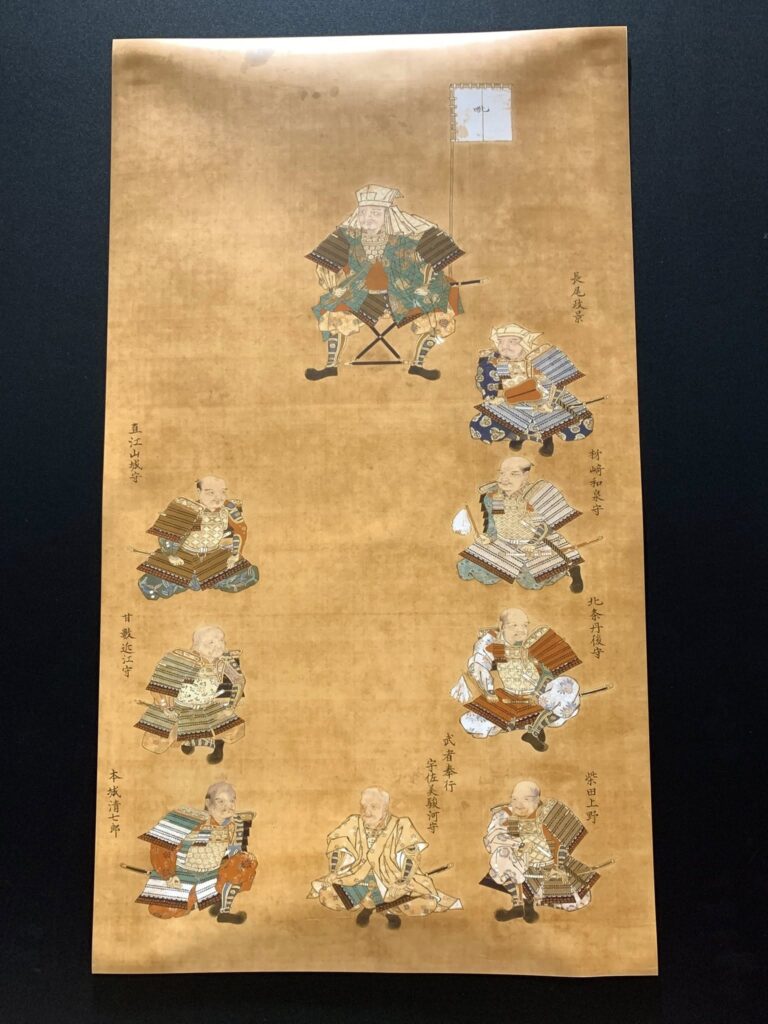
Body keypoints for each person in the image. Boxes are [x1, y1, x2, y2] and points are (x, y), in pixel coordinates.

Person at [305, 184, 464, 381]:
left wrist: (425, 285)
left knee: (442, 305)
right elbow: (325, 263)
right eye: (363, 213)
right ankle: (330, 366)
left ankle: (418, 364)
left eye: (375, 213)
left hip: (403, 295)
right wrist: (333, 287)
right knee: (333, 310)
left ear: (387, 215)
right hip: (360, 295)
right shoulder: (348, 236)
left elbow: (434, 257)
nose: (368, 218)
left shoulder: (404, 239)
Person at [308, 787, 461, 928]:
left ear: (385, 808)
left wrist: (403, 881)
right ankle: (372, 907)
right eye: (363, 806)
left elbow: (411, 856)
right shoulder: (353, 822)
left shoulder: (401, 825)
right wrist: (334, 871)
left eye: (373, 807)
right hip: (357, 878)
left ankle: (382, 909)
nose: (367, 812)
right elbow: (338, 846)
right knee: (326, 894)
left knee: (426, 903)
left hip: (390, 880)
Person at [450, 607, 581, 750]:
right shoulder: (494, 642)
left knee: (568, 685)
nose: (521, 630)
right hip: (509, 697)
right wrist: (488, 689)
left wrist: (538, 691)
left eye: (524, 625)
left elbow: (548, 673)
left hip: (540, 696)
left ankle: (534, 729)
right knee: (471, 722)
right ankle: (529, 724)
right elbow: (479, 662)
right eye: (514, 625)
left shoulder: (536, 640)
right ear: (501, 626)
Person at [135, 782, 257, 924]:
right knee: (163, 910)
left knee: (246, 862)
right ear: (208, 803)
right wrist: (169, 874)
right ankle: (197, 900)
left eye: (232, 801)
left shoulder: (234, 824)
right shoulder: (188, 819)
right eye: (221, 801)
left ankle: (222, 905)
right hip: (183, 874)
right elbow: (162, 845)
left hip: (212, 873)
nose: (228, 806)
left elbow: (233, 852)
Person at [479, 781, 601, 923]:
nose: (519, 804)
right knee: (501, 857)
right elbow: (496, 838)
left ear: (536, 801)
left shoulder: (546, 816)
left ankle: (529, 904)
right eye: (514, 798)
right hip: (519, 863)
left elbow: (557, 845)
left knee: (579, 898)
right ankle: (518, 904)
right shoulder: (506, 815)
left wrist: (556, 866)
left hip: (545, 867)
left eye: (526, 799)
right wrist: (518, 844)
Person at [456, 456, 584, 591]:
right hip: (504, 541)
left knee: (532, 579)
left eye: (514, 474)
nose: (504, 479)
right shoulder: (495, 495)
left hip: (537, 542)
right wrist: (488, 537)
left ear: (525, 475)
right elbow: (495, 524)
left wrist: (532, 543)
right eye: (502, 473)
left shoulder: (537, 493)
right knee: (468, 567)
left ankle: (572, 570)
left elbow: (547, 525)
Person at [470, 323, 593, 456]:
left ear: (525, 341)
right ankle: (519, 436)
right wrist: (493, 398)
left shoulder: (542, 355)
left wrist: (549, 404)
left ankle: (547, 439)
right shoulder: (499, 360)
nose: (505, 346)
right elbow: (493, 383)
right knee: (480, 425)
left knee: (579, 422)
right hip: (514, 401)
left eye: (512, 341)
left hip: (547, 399)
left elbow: (558, 382)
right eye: (500, 341)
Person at [134, 625, 246, 764]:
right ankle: (188, 740)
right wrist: (165, 708)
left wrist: (231, 706)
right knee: (155, 742)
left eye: (221, 640)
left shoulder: (222, 661)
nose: (217, 645)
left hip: (207, 706)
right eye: (211, 642)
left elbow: (239, 681)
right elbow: (158, 687)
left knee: (232, 728)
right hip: (178, 707)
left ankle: (217, 744)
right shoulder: (180, 658)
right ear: (198, 644)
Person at [136, 475, 259, 600]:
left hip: (214, 554)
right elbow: (168, 534)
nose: (218, 497)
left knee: (249, 575)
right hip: (185, 555)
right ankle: (197, 580)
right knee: (150, 584)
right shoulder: (185, 508)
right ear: (199, 492)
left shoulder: (229, 509)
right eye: (211, 493)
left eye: (222, 492)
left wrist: (235, 555)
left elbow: (240, 530)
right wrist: (171, 555)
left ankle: (202, 580)